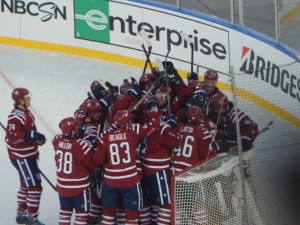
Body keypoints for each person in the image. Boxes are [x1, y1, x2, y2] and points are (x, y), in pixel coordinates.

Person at [93, 106, 160, 225]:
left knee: (108, 215)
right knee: (131, 216)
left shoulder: (105, 136)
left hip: (111, 182)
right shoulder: (133, 131)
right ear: (127, 123)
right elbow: (153, 125)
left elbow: (98, 160)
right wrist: (154, 111)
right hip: (129, 181)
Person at [5, 87, 46, 225]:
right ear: (21, 100)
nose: (29, 99)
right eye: (27, 97)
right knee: (35, 187)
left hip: (28, 155)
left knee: (25, 184)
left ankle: (21, 214)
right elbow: (11, 137)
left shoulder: (26, 113)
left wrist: (33, 137)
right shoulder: (15, 116)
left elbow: (28, 133)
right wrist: (29, 136)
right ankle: (31, 218)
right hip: (22, 157)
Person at [52, 117, 99, 225]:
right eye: (76, 127)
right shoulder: (80, 145)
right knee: (82, 215)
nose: (79, 128)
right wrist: (93, 148)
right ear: (71, 131)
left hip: (62, 186)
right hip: (79, 187)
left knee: (65, 213)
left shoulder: (57, 139)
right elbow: (93, 164)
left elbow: (59, 143)